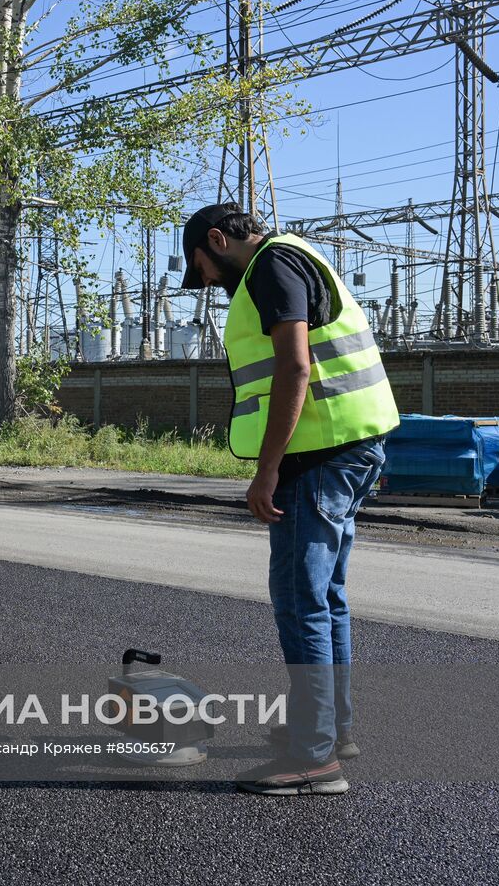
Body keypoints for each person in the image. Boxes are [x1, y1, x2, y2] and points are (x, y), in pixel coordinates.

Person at [180, 203, 399, 796]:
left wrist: (267, 469)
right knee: (325, 597)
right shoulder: (296, 255)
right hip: (349, 445)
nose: (203, 282)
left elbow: (295, 366)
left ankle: (313, 758)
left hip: (317, 455)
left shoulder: (272, 267)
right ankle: (332, 731)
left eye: (199, 266)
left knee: (301, 601)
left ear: (219, 240)